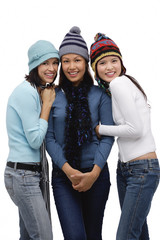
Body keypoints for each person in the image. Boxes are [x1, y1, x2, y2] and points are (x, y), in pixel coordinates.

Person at [45, 26, 114, 240]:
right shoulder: (51, 94)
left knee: (93, 236)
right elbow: (48, 138)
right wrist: (67, 170)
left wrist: (93, 174)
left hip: (97, 174)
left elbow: (108, 136)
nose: (71, 66)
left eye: (77, 60)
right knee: (75, 236)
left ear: (86, 63)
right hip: (63, 177)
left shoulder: (99, 95)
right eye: (66, 61)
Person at [90, 33, 160, 240]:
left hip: (141, 169)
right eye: (102, 63)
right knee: (138, 235)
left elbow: (135, 129)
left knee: (126, 235)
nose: (109, 66)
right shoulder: (123, 85)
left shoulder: (119, 84)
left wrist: (100, 129)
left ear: (121, 62)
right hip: (129, 168)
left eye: (114, 60)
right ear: (94, 68)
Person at [4, 40, 59, 240]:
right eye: (45, 63)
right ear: (35, 65)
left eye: (55, 63)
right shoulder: (27, 92)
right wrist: (47, 105)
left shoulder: (36, 90)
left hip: (30, 174)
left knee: (28, 237)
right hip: (23, 176)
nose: (51, 68)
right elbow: (35, 140)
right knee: (44, 237)